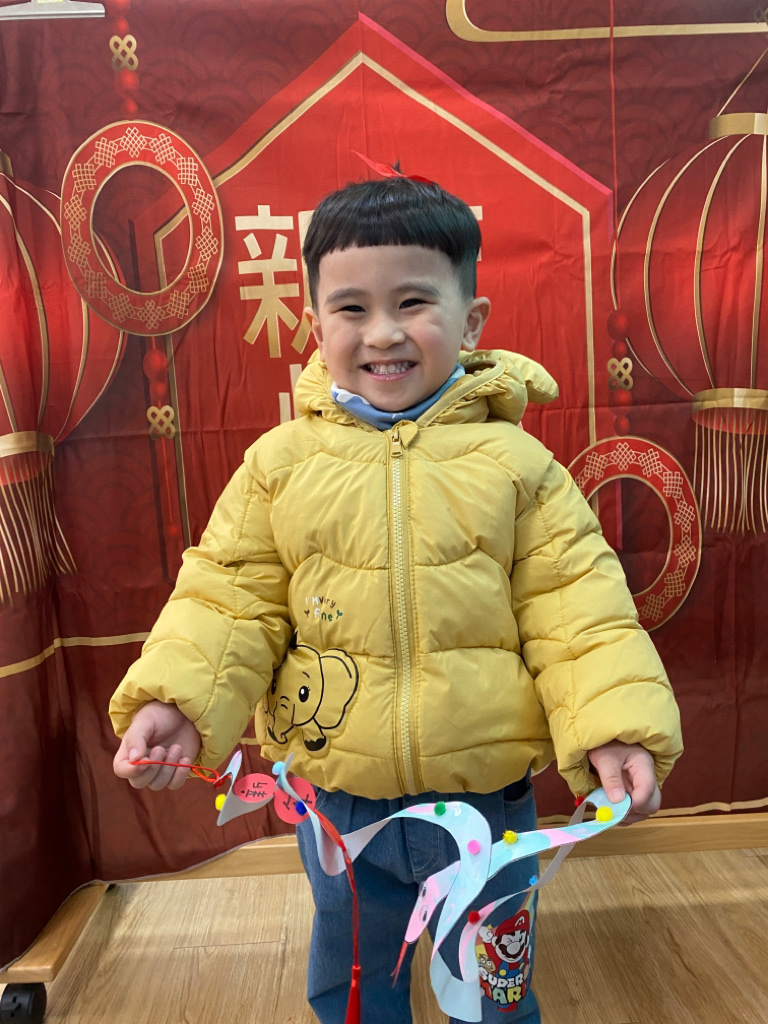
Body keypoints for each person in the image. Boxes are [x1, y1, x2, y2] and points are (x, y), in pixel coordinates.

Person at [111, 176, 683, 1024]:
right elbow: (228, 600)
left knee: (493, 991)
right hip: (339, 804)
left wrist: (615, 726)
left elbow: (578, 610)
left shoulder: (517, 468)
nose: (382, 332)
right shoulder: (279, 466)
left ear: (471, 320)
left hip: (489, 804)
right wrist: (179, 703)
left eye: (413, 302)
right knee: (352, 982)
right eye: (351, 309)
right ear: (316, 324)